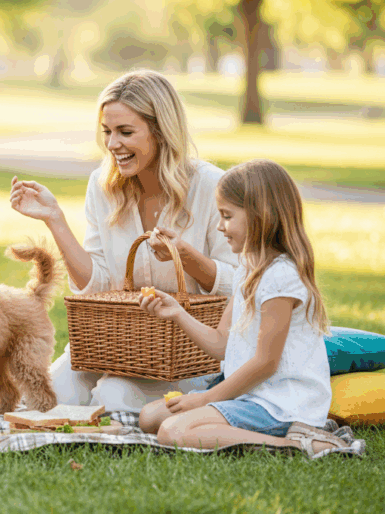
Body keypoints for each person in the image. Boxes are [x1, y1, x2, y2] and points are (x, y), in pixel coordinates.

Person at [9, 70, 238, 412]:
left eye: (125, 132)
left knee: (113, 396)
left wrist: (186, 257)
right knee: (44, 398)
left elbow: (241, 286)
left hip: (187, 355)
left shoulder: (211, 187)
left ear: (161, 131)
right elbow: (97, 285)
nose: (112, 144)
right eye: (107, 132)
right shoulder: (102, 185)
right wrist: (55, 219)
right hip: (115, 344)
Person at [137, 159, 345, 454]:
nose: (220, 226)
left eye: (227, 216)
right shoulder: (248, 268)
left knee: (173, 431)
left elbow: (265, 363)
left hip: (281, 405)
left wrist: (205, 399)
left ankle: (295, 444)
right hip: (250, 396)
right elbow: (221, 344)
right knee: (150, 417)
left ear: (261, 216)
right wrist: (177, 313)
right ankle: (236, 429)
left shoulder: (281, 276)